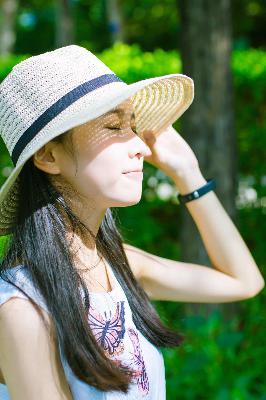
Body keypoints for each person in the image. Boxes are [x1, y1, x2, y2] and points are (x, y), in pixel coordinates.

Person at [0, 45, 264, 400]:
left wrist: (188, 173)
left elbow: (243, 282)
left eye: (133, 125)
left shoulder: (120, 265)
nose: (141, 145)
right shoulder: (23, 308)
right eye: (113, 126)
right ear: (49, 155)